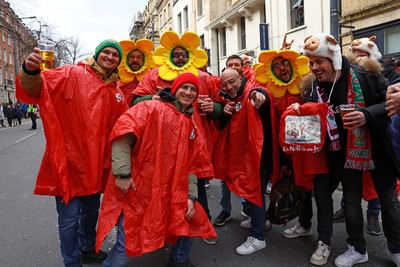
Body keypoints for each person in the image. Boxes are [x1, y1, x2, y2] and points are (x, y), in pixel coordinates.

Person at [16, 39, 128, 267]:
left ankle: (87, 249)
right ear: (96, 55)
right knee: (69, 220)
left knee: (91, 213)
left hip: (96, 167)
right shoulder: (71, 74)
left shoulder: (116, 90)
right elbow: (37, 87)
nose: (110, 57)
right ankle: (72, 262)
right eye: (105, 52)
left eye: (115, 54)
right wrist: (30, 69)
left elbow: (125, 125)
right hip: (70, 163)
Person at [291, 32, 400, 267]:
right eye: (311, 63)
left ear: (333, 58)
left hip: (377, 146)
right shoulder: (312, 87)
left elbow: (389, 102)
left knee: (389, 200)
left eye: (319, 61)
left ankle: (396, 248)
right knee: (350, 201)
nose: (314, 67)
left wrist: (367, 115)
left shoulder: (364, 74)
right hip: (343, 153)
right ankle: (357, 248)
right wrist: (300, 111)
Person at [96, 72, 216, 267]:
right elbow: (122, 136)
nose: (188, 92)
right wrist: (123, 173)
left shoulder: (190, 122)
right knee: (128, 241)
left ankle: (178, 260)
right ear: (175, 89)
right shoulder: (150, 107)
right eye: (184, 87)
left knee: (190, 223)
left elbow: (191, 164)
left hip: (171, 191)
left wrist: (191, 197)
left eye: (193, 89)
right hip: (139, 188)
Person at [133, 31, 221, 245]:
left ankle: (202, 223)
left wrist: (213, 108)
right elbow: (134, 101)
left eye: (184, 54)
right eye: (177, 54)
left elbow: (222, 108)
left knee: (196, 184)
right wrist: (150, 97)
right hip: (163, 143)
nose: (181, 58)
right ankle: (164, 228)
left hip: (195, 141)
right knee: (163, 186)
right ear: (168, 55)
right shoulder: (154, 76)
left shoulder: (205, 78)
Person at [213, 68, 279, 255]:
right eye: (224, 85)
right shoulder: (232, 99)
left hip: (260, 154)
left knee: (254, 190)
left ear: (240, 78)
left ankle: (258, 237)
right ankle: (257, 221)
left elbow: (260, 94)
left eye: (232, 82)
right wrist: (225, 112)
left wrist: (260, 95)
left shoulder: (251, 90)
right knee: (250, 190)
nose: (229, 87)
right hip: (248, 154)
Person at [332, 36, 388, 236]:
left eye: (363, 55)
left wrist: (368, 115)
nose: (359, 59)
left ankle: (373, 215)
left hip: (372, 138)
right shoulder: (344, 75)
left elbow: (386, 103)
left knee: (372, 182)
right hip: (350, 139)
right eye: (356, 55)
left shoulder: (377, 75)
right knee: (351, 183)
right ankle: (347, 208)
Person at [117, 39, 155, 107]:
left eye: (139, 57)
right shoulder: (116, 77)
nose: (135, 60)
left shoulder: (152, 78)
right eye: (132, 57)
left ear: (144, 60)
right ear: (126, 59)